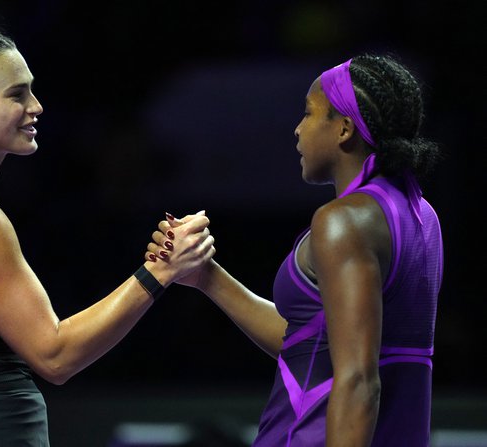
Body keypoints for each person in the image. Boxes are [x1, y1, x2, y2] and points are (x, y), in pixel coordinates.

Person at [0, 25, 216, 447]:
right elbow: (55, 357)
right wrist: (160, 271)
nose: (36, 106)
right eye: (17, 95)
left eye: (32, 91)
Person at [147, 54, 443, 446]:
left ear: (344, 129)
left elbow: (358, 381)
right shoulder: (421, 215)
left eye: (308, 113)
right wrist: (206, 276)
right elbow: (311, 341)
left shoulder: (341, 222)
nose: (297, 130)